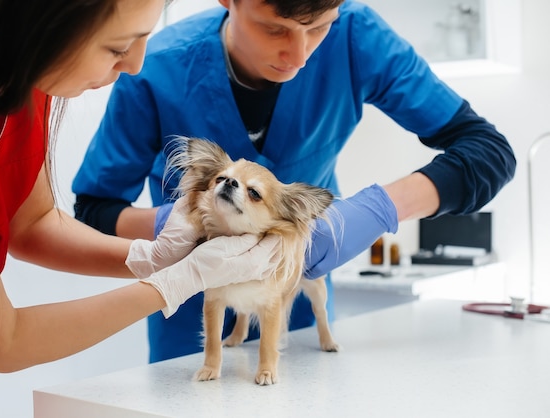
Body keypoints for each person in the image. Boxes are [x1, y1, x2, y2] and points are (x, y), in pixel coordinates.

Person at [72, 0, 516, 363]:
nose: (301, 55)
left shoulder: (355, 37)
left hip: (295, 310)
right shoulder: (155, 67)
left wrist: (378, 209)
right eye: (275, 29)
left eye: (319, 27)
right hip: (190, 315)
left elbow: (487, 151)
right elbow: (94, 211)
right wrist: (174, 223)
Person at [0, 0, 282, 373]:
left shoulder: (28, 70)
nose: (135, 65)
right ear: (39, 23)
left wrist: (154, 256)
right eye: (118, 47)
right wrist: (175, 282)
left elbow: (32, 224)